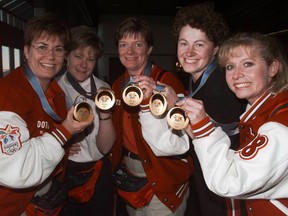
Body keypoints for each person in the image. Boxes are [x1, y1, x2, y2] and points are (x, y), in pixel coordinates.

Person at [139, 3, 247, 216]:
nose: (188, 52)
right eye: (183, 43)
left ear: (215, 48)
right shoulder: (200, 80)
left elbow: (216, 132)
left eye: (199, 45)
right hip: (207, 179)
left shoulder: (224, 85)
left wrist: (174, 105)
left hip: (228, 184)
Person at [176, 32, 288, 216]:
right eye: (230, 66)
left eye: (248, 64)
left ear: (272, 68)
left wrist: (204, 129)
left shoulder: (280, 122)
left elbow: (230, 180)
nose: (237, 74)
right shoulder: (256, 113)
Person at [0, 14, 93, 216]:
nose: (50, 57)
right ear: (26, 51)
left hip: (43, 199)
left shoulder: (55, 92)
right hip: (13, 206)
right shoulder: (9, 97)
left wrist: (66, 138)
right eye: (42, 47)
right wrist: (64, 132)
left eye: (58, 49)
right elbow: (17, 169)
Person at [111, 16, 193, 216]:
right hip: (131, 173)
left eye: (137, 44)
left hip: (163, 172)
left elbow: (182, 135)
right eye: (124, 45)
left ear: (149, 49)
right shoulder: (117, 85)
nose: (130, 52)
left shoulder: (166, 82)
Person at [57, 25, 116, 216]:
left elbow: (106, 148)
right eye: (78, 56)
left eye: (90, 59)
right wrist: (62, 143)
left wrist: (105, 113)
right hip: (64, 170)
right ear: (66, 55)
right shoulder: (53, 88)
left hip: (97, 170)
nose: (84, 64)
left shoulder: (103, 89)